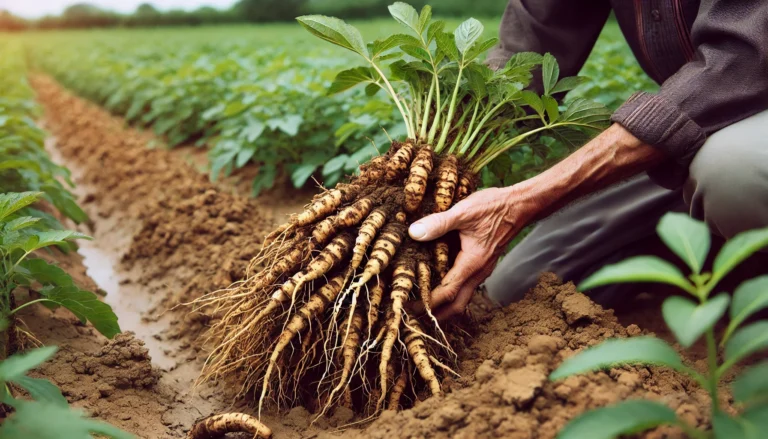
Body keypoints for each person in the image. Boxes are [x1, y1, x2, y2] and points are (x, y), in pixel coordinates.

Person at [407, 0, 768, 319]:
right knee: (520, 287)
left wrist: (519, 202)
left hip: (746, 125)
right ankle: (713, 253)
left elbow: (738, 63)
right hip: (686, 138)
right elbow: (535, 34)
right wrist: (435, 158)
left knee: (731, 172)